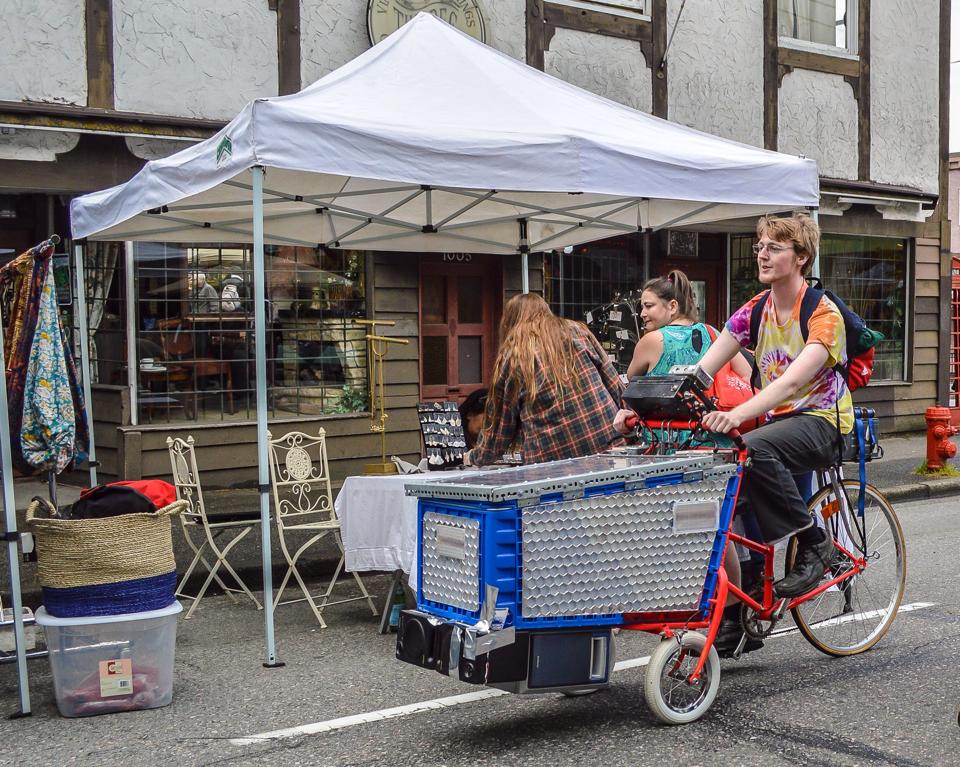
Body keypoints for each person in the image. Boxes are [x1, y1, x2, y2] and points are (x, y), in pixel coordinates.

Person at [695, 213, 852, 639]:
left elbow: (791, 382)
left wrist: (739, 414)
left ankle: (815, 542)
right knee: (725, 494)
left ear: (801, 257)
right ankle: (739, 612)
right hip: (778, 425)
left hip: (823, 421)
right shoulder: (755, 309)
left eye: (774, 247)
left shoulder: (823, 313)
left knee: (752, 447)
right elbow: (703, 370)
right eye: (760, 246)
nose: (762, 255)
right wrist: (648, 402)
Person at [612, 269, 755, 652]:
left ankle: (674, 605)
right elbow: (747, 375)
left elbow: (629, 388)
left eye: (648, 306)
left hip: (672, 450)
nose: (642, 313)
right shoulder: (713, 334)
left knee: (671, 528)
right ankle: (734, 613)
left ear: (672, 305)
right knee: (716, 529)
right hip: (717, 442)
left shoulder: (651, 341)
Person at [464, 293, 623, 467]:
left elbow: (499, 431)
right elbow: (614, 384)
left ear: (509, 322)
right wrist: (631, 427)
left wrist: (474, 457)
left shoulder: (514, 356)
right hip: (608, 448)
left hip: (553, 465)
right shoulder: (577, 331)